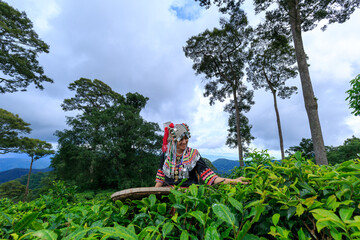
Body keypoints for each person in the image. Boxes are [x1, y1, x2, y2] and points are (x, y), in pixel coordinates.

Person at [155, 122, 247, 187]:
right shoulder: (166, 155)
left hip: (189, 196)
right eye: (180, 139)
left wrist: (234, 181)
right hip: (168, 196)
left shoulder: (193, 155)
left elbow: (210, 178)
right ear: (173, 140)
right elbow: (160, 180)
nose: (184, 142)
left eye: (186, 138)